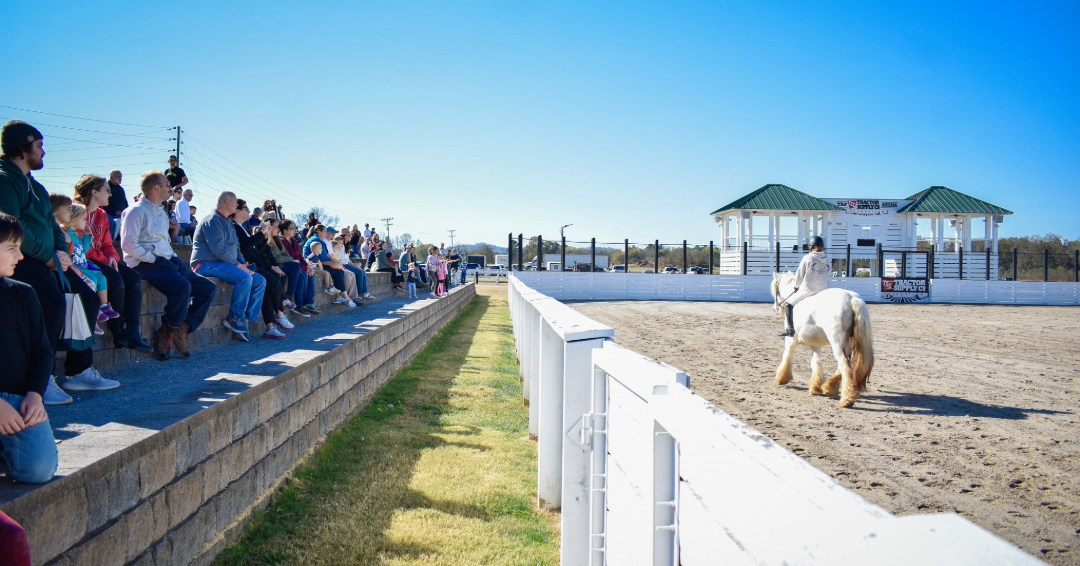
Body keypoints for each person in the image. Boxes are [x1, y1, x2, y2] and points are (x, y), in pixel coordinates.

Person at [0, 120, 113, 403]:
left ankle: (78, 372)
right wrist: (48, 256)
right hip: (21, 259)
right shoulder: (4, 178)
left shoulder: (35, 186)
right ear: (21, 148)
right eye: (39, 146)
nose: (43, 152)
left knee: (88, 299)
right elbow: (10, 228)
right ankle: (41, 380)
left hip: (50, 260)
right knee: (51, 304)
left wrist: (61, 253)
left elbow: (51, 225)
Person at [122, 171, 217, 360]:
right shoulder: (136, 211)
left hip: (167, 260)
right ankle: (167, 332)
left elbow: (164, 241)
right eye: (167, 185)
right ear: (156, 188)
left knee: (208, 287)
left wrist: (172, 257)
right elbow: (127, 244)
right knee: (182, 286)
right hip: (145, 263)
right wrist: (152, 258)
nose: (170, 188)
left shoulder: (161, 211)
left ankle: (182, 328)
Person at [0, 212, 60, 485]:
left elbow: (42, 350)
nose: (20, 256)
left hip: (18, 398)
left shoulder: (23, 292)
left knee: (39, 469)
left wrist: (35, 395)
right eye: (12, 248)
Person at [73, 174, 151, 352]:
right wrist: (104, 259)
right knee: (114, 280)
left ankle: (132, 331)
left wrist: (111, 258)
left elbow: (107, 244)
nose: (111, 195)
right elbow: (81, 247)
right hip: (82, 261)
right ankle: (118, 332)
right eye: (107, 191)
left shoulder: (102, 214)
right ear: (94, 192)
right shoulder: (75, 211)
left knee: (133, 278)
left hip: (99, 259)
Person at [191, 191, 266, 342]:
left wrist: (242, 263)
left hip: (224, 263)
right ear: (226, 202)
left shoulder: (228, 223)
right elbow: (218, 250)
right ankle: (234, 318)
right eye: (235, 202)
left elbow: (237, 248)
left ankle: (245, 318)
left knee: (259, 280)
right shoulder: (212, 220)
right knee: (244, 278)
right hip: (205, 264)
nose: (237, 205)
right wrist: (238, 266)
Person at [231, 202, 293, 340]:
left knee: (270, 286)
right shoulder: (234, 227)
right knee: (274, 282)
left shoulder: (243, 227)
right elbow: (246, 245)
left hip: (253, 264)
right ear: (237, 210)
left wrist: (264, 236)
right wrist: (261, 233)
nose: (249, 211)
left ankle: (270, 326)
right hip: (247, 266)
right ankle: (279, 314)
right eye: (246, 208)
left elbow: (254, 249)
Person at [59, 202, 117, 334]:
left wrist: (87, 235)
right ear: (73, 220)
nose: (86, 222)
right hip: (76, 268)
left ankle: (103, 305)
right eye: (84, 219)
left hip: (84, 265)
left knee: (101, 278)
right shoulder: (65, 234)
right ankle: (94, 315)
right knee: (92, 281)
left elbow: (84, 250)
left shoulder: (77, 234)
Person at [778, 236, 831, 337]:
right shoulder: (828, 258)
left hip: (808, 289)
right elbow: (828, 273)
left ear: (811, 247)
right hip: (824, 289)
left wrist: (796, 286)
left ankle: (790, 330)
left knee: (788, 304)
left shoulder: (808, 258)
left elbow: (799, 275)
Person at [279, 220, 319, 315]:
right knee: (302, 276)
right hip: (287, 266)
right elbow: (290, 258)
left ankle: (308, 303)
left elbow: (300, 257)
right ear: (284, 230)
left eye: (294, 228)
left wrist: (306, 267)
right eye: (292, 228)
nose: (294, 230)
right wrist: (304, 268)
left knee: (311, 274)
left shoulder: (294, 241)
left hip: (298, 266)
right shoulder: (281, 241)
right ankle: (299, 305)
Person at [103, 169, 127, 239]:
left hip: (121, 215)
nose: (120, 178)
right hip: (110, 215)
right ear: (111, 177)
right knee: (115, 222)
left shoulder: (121, 189)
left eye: (121, 176)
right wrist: (115, 212)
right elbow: (103, 205)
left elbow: (125, 203)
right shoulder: (106, 188)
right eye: (118, 176)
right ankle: (110, 241)